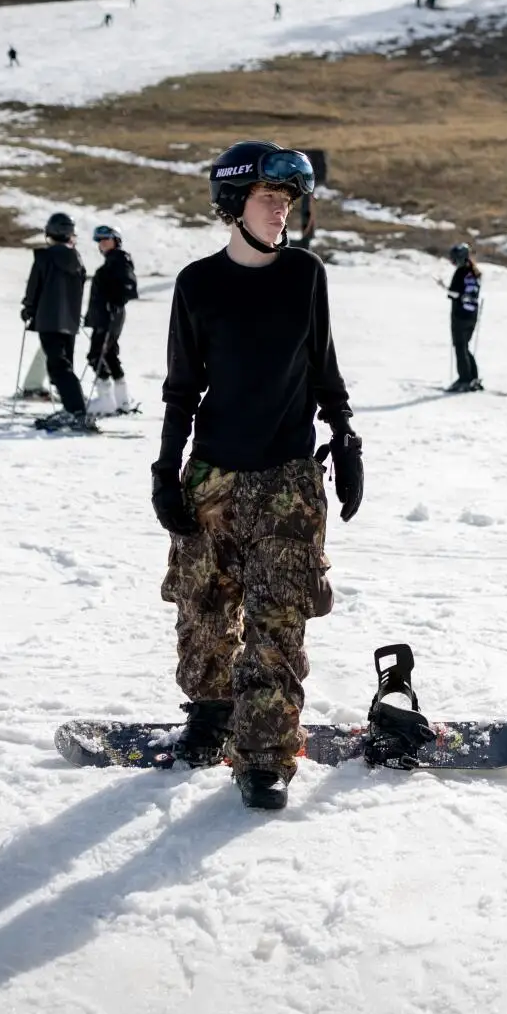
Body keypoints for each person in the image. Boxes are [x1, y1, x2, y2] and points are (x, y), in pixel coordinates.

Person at [151, 140, 362, 809]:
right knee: (204, 618)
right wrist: (165, 468)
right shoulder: (197, 286)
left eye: (288, 202)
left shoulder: (306, 276)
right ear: (233, 204)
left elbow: (324, 368)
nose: (282, 213)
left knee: (278, 625)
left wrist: (345, 433)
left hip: (288, 486)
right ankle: (212, 713)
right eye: (271, 200)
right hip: (212, 479)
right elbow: (183, 389)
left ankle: (266, 757)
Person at [22, 211, 91, 431]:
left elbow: (35, 286)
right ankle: (73, 408)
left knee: (58, 366)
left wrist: (28, 308)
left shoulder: (45, 257)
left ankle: (76, 411)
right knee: (64, 366)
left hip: (49, 319)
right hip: (69, 321)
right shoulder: (77, 258)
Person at [84, 225, 138, 416]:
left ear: (116, 240)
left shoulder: (120, 260)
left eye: (106, 239)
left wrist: (113, 303)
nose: (102, 243)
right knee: (108, 355)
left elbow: (129, 286)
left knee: (96, 355)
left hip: (110, 316)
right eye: (100, 240)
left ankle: (106, 400)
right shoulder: (113, 261)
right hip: (106, 316)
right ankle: (122, 400)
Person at [444, 243, 482, 392]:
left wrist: (446, 290)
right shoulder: (474, 272)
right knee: (464, 346)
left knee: (460, 347)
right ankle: (473, 377)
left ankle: (465, 379)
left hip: (460, 315)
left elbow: (454, 293)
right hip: (472, 315)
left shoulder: (461, 272)